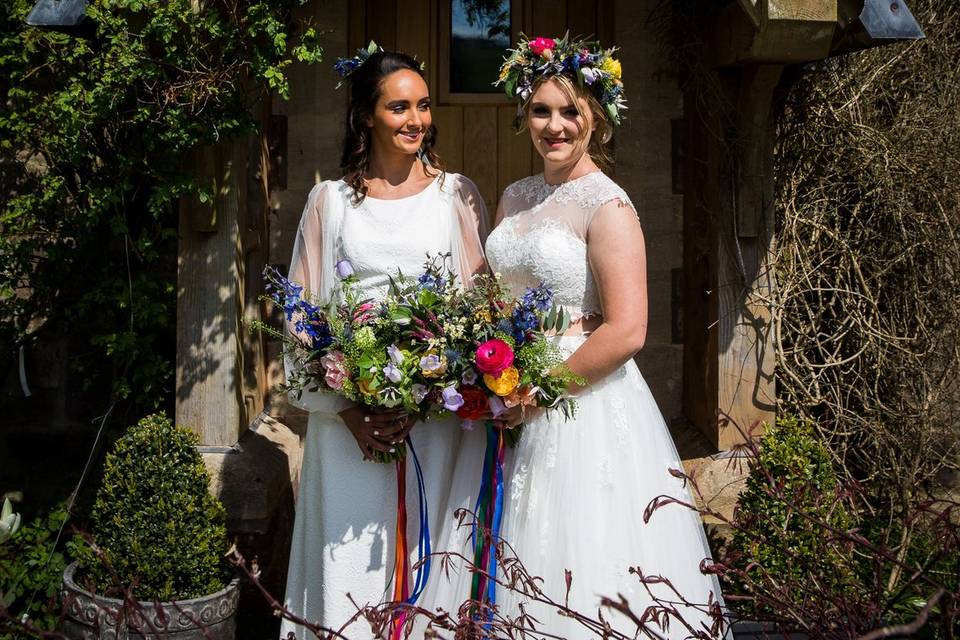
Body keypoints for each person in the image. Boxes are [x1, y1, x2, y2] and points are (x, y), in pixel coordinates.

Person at [419, 35, 727, 639]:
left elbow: (629, 328)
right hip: (502, 391)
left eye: (570, 112)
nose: (554, 126)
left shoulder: (608, 206)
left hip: (576, 402)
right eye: (540, 111)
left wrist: (539, 391)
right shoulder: (516, 195)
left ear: (597, 119)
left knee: (571, 550)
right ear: (523, 116)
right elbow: (492, 294)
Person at [279, 46, 488, 639]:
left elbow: (483, 308)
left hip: (436, 426)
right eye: (399, 107)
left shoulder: (457, 196)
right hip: (349, 427)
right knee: (348, 574)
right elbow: (301, 317)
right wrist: (346, 408)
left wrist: (437, 385)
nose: (416, 120)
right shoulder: (331, 203)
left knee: (430, 571)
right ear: (366, 116)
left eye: (423, 106)